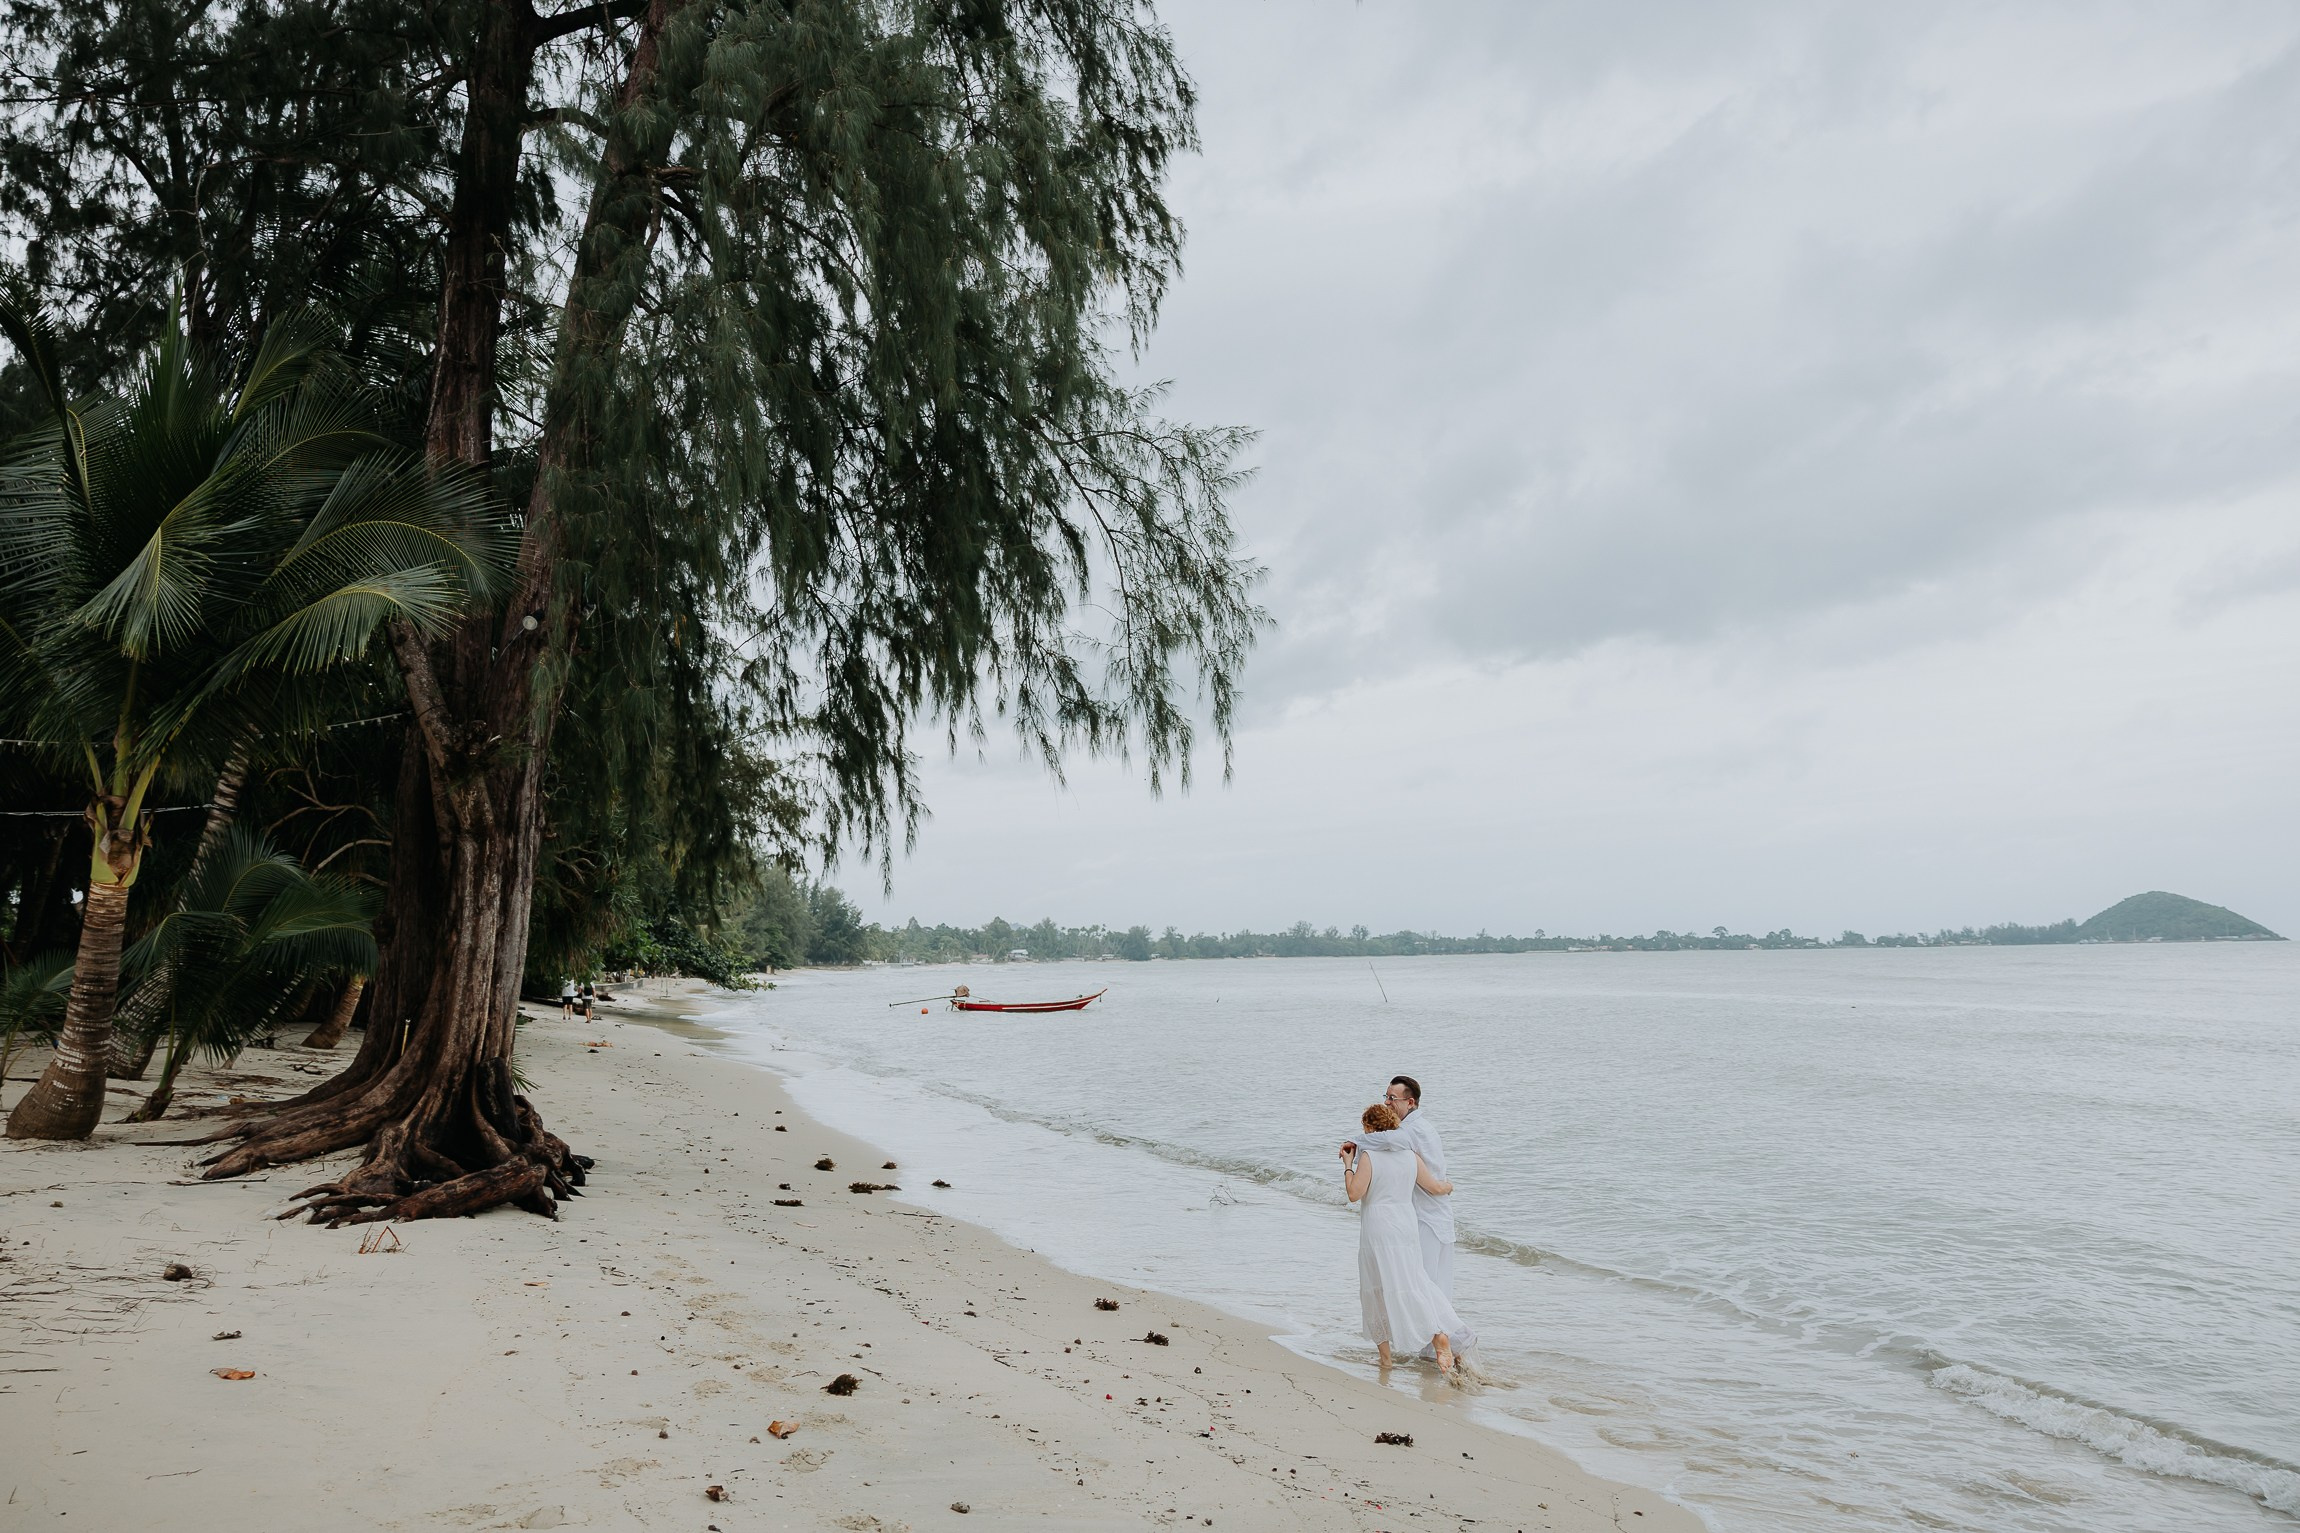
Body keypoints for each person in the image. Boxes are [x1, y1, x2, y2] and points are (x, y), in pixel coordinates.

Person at [1343, 1102, 1467, 1376]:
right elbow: (1434, 1187)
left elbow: (1354, 1194)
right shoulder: (1410, 1155)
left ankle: (1386, 1360)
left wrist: (1347, 1164)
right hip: (1405, 1223)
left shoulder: (1369, 1157)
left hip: (1379, 1225)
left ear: (1368, 1128)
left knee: (1376, 1286)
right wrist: (1449, 1186)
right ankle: (1438, 1334)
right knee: (1412, 1281)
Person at [1344, 1075, 1457, 1299]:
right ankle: (1441, 1332)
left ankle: (1448, 1333)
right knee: (1433, 1285)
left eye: (1392, 1098)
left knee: (1424, 1285)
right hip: (1431, 1216)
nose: (1387, 1102)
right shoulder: (1413, 1129)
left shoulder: (1412, 1131)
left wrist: (1352, 1143)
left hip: (1428, 1218)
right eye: (1385, 1096)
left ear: (1410, 1102)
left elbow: (1384, 1141)